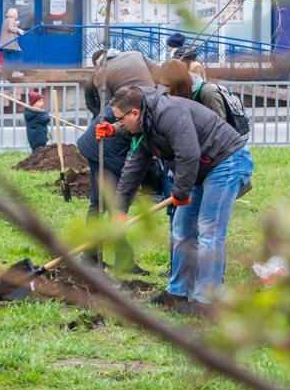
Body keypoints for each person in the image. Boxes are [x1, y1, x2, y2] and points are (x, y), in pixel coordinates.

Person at [103, 84, 253, 316]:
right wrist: (120, 211)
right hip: (199, 169)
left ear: (134, 113)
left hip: (226, 162)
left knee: (209, 231)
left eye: (120, 120)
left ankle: (207, 301)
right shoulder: (145, 126)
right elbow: (134, 168)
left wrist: (181, 192)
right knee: (181, 230)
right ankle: (178, 293)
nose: (118, 125)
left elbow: (188, 152)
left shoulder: (169, 113)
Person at [76, 48, 156, 271]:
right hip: (104, 146)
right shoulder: (137, 56)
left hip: (97, 142)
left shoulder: (101, 74)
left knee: (101, 203)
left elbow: (95, 105)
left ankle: (95, 256)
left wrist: (98, 118)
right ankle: (112, 258)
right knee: (110, 203)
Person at [154, 59, 228, 121]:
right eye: (162, 86)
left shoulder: (208, 93)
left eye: (168, 86)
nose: (166, 90)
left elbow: (220, 128)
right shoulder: (178, 94)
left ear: (179, 83)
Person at [0, 7, 25, 78]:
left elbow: (9, 29)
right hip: (10, 43)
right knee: (19, 54)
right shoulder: (11, 20)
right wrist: (18, 30)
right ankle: (15, 72)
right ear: (14, 14)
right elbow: (10, 28)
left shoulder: (6, 20)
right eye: (17, 13)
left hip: (4, 44)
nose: (17, 15)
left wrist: (18, 29)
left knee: (5, 62)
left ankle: (3, 79)